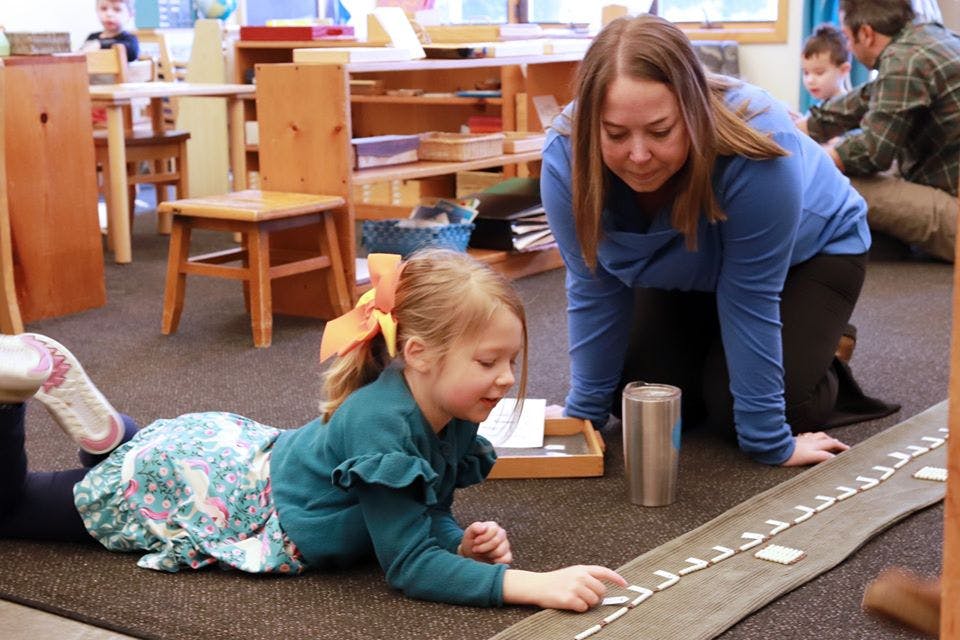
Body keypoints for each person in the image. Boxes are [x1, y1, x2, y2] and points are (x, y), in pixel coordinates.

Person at [0, 250, 625, 610]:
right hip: (212, 490)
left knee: (116, 469)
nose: (504, 378)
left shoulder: (452, 407)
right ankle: (12, 402)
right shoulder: (382, 427)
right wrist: (533, 585)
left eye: (510, 360)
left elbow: (421, 511)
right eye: (489, 362)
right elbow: (408, 566)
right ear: (419, 353)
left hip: (239, 459)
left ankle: (110, 440)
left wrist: (456, 543)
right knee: (15, 509)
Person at [541, 15, 898, 468]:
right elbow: (594, 285)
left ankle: (822, 347)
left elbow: (750, 295)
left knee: (746, 412)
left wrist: (772, 441)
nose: (638, 155)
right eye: (615, 134)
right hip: (687, 267)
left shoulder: (760, 140)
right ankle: (723, 349)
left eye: (659, 131)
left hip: (808, 257)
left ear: (692, 112)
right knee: (642, 397)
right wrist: (582, 417)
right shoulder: (564, 156)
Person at [797, 0, 960, 263]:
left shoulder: (903, 61)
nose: (848, 47)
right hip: (944, 181)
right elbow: (866, 98)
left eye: (848, 39)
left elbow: (872, 152)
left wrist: (812, 157)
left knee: (839, 181)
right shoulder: (929, 36)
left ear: (866, 34)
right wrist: (803, 127)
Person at [802, 24, 852, 104]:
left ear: (843, 70)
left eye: (819, 73)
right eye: (806, 73)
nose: (810, 80)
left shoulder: (846, 109)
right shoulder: (822, 105)